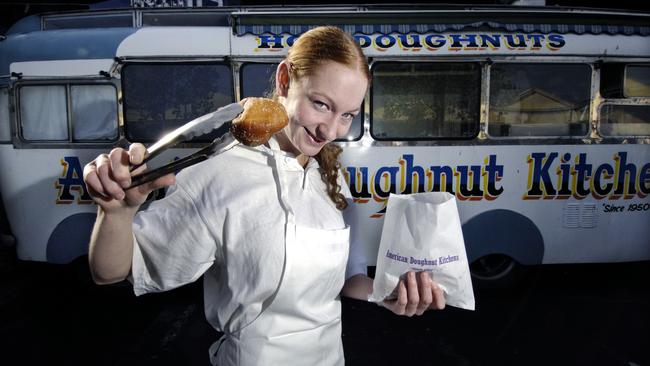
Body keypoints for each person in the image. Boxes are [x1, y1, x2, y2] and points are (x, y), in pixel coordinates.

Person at [83, 26, 446, 366]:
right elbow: (110, 272)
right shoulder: (219, 173)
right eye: (321, 104)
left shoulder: (330, 175)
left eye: (347, 115)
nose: (330, 130)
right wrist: (115, 212)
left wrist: (392, 294)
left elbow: (350, 281)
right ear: (285, 80)